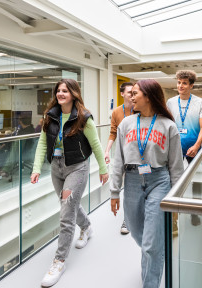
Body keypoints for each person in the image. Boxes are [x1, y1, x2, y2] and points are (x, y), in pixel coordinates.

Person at [30, 79, 109, 287]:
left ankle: (59, 261)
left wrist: (103, 169)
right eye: (58, 91)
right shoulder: (51, 116)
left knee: (66, 213)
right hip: (56, 167)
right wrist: (36, 168)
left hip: (77, 168)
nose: (60, 94)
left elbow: (96, 145)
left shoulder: (83, 117)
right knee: (68, 205)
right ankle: (86, 227)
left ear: (74, 93)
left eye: (65, 90)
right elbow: (41, 144)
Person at [110, 79, 184, 288]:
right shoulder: (126, 124)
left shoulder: (168, 126)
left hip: (159, 180)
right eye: (130, 93)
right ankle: (155, 254)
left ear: (149, 96)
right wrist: (114, 192)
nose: (130, 97)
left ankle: (150, 278)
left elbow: (176, 166)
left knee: (150, 243)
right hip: (132, 180)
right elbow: (118, 161)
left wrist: (177, 198)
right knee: (136, 231)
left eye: (135, 93)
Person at [166, 70, 202, 228]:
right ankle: (173, 219)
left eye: (184, 83)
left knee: (195, 182)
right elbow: (167, 124)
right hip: (174, 146)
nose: (180, 86)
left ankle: (194, 212)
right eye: (178, 82)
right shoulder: (170, 102)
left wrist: (197, 145)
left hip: (194, 147)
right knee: (172, 180)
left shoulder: (200, 103)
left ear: (191, 85)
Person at [104, 81, 134, 235]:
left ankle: (133, 217)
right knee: (126, 186)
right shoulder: (117, 112)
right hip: (122, 155)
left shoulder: (140, 110)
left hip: (138, 155)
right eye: (130, 92)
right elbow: (113, 132)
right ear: (122, 94)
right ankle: (127, 220)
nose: (133, 95)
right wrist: (107, 151)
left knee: (133, 187)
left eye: (134, 92)